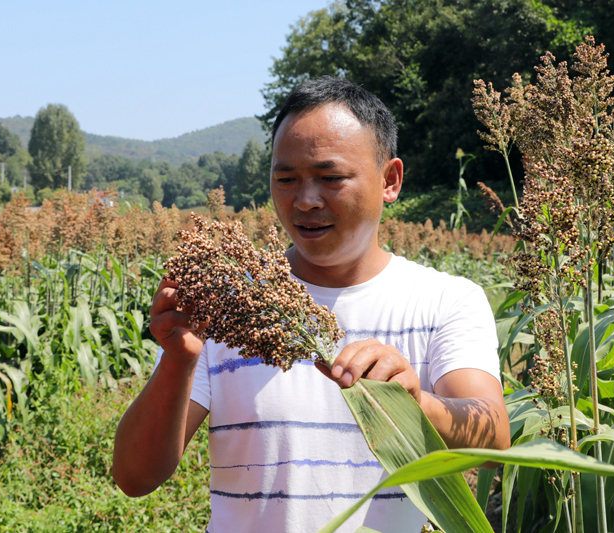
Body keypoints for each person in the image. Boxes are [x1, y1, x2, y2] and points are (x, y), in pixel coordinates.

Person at [113, 76, 510, 532]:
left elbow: (495, 439)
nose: (305, 201)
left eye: (331, 178)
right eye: (286, 179)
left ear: (390, 180)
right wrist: (178, 360)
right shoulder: (228, 305)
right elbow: (135, 477)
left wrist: (418, 404)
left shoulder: (444, 301)